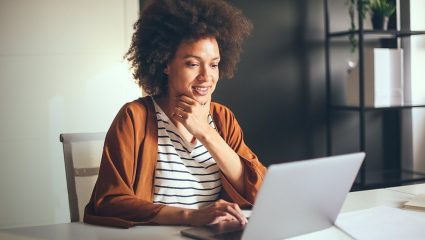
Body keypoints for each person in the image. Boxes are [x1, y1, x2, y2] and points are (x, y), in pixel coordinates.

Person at [84, 0, 266, 228]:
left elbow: (260, 191)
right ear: (165, 63)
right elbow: (109, 201)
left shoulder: (222, 118)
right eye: (192, 64)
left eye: (214, 64)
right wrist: (191, 216)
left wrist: (206, 133)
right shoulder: (134, 117)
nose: (206, 77)